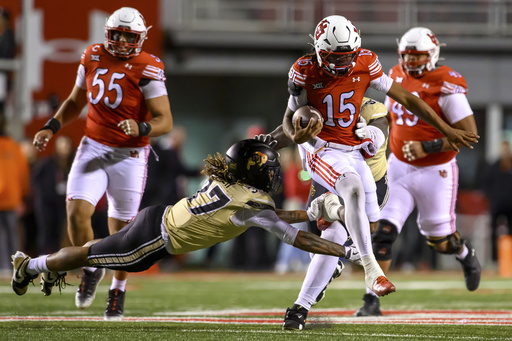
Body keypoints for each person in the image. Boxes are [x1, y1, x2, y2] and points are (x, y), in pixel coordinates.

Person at [273, 15, 478, 330]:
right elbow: (291, 117)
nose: (341, 63)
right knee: (348, 228)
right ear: (318, 50)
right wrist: (286, 137)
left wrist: (438, 131)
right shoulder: (306, 72)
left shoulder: (371, 78)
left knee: (351, 230)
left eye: (346, 56)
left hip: (371, 166)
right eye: (333, 56)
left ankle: (328, 267)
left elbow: (400, 108)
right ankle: (360, 275)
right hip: (327, 158)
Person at [11, 139, 360, 310]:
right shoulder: (252, 203)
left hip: (159, 217)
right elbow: (295, 239)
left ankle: (40, 265)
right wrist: (343, 250)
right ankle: (30, 266)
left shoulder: (232, 183)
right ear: (253, 172)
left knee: (92, 251)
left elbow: (268, 216)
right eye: (267, 170)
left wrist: (311, 215)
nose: (272, 176)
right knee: (90, 256)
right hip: (154, 239)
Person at [31, 7, 173, 320]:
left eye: (129, 35)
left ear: (140, 38)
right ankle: (91, 264)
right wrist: (50, 127)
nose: (122, 40)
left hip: (129, 155)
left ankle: (117, 292)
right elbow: (74, 102)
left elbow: (166, 121)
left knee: (121, 232)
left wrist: (142, 127)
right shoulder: (92, 55)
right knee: (77, 213)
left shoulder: (148, 66)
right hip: (93, 147)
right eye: (117, 34)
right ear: (108, 33)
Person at [352, 27, 481, 317]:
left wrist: (429, 146)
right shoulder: (395, 75)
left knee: (441, 242)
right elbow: (390, 118)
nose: (412, 62)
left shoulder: (445, 82)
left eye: (419, 55)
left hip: (437, 172)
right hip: (399, 168)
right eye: (408, 55)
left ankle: (464, 254)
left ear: (433, 54)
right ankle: (371, 299)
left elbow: (470, 135)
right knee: (383, 233)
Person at [258, 96, 390, 329]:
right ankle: (333, 267)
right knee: (316, 244)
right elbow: (292, 127)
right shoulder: (320, 100)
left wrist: (369, 132)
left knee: (333, 235)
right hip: (327, 180)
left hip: (366, 181)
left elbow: (380, 130)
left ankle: (300, 307)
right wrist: (267, 142)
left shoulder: (372, 107)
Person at [0, 116, 30, 273]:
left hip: (11, 200)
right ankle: (16, 268)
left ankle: (5, 268)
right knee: (12, 235)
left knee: (5, 235)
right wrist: (23, 196)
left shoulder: (14, 147)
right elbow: (23, 175)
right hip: (12, 199)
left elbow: (23, 174)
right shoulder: (14, 147)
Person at [482, 140, 512, 262]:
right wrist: (492, 197)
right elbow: (485, 183)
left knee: (510, 231)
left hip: (510, 205)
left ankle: (509, 258)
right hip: (497, 204)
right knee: (493, 231)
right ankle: (495, 258)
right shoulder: (494, 166)